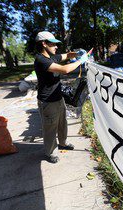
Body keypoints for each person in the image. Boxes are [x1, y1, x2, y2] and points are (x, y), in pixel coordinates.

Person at [34, 31, 88, 163]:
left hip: (58, 97)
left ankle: (63, 143)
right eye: (53, 44)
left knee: (62, 123)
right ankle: (50, 152)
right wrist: (80, 61)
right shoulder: (41, 60)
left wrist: (77, 53)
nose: (56, 47)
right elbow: (65, 70)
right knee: (50, 127)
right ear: (44, 44)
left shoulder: (51, 57)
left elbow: (67, 55)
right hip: (47, 101)